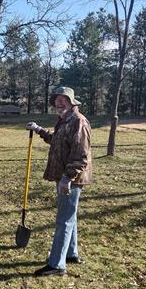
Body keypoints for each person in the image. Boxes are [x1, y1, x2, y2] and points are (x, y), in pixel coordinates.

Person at [26, 86, 92, 277]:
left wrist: (67, 178)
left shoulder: (79, 122)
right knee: (69, 216)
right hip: (65, 175)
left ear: (72, 102)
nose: (59, 102)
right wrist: (39, 130)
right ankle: (71, 254)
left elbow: (81, 155)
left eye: (64, 99)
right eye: (57, 99)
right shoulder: (64, 120)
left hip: (71, 177)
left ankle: (57, 265)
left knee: (64, 220)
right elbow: (57, 140)